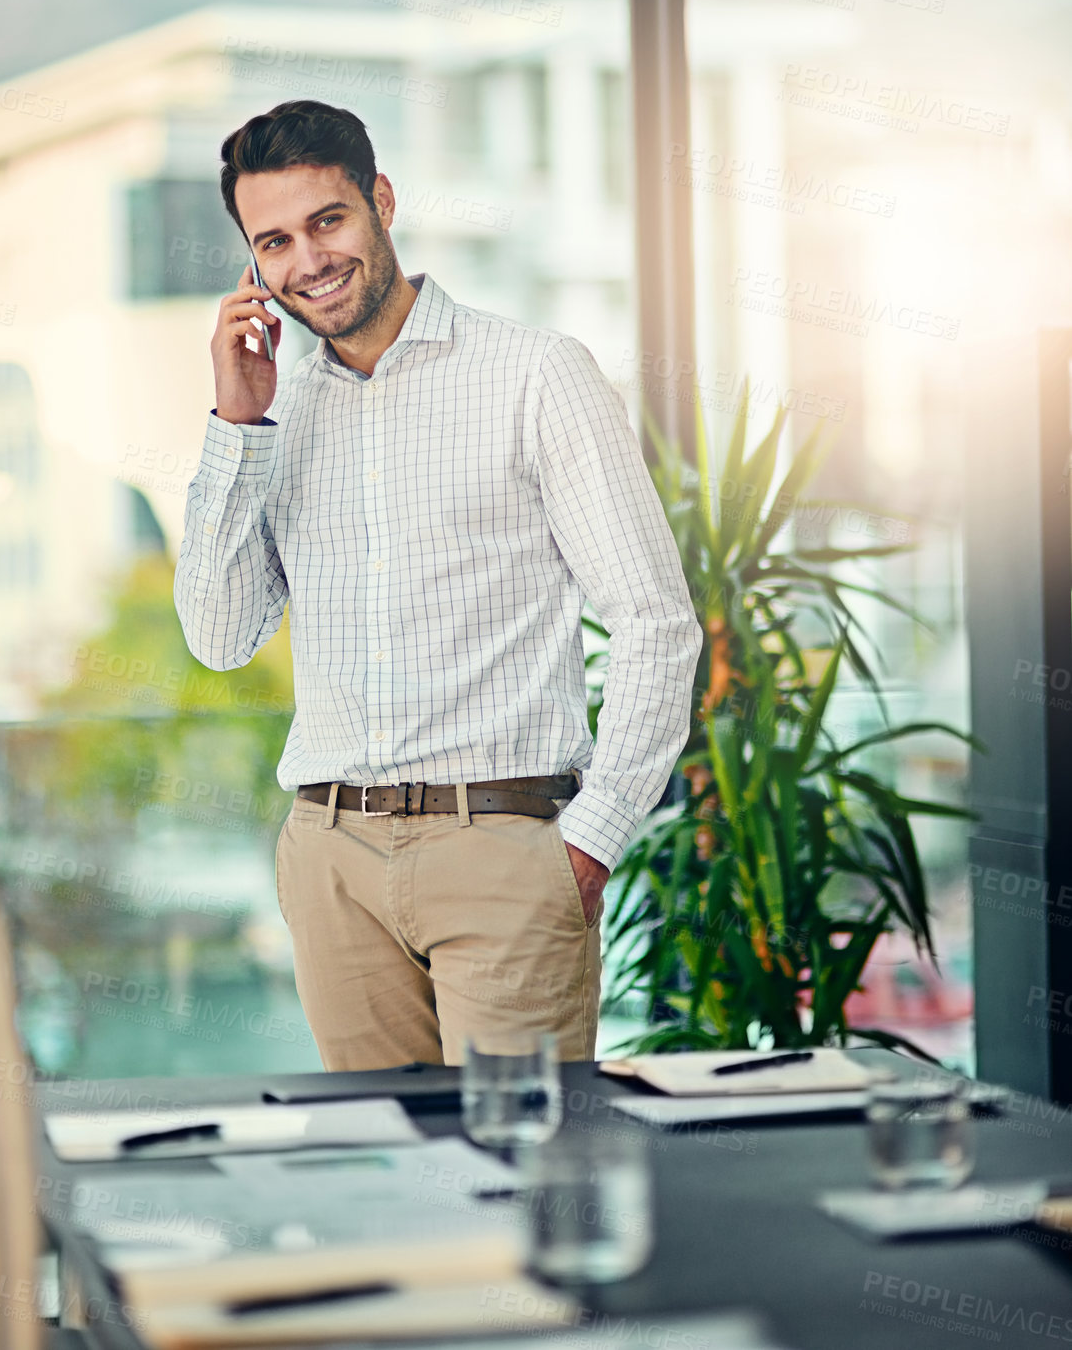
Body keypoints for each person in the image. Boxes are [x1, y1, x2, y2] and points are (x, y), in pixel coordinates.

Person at [173, 98, 702, 1070]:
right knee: (389, 1188)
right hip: (331, 858)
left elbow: (655, 621)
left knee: (522, 1179)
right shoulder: (271, 412)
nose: (309, 261)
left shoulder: (537, 374)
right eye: (276, 241)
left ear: (380, 200)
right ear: (254, 264)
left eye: (327, 221)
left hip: (504, 847)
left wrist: (590, 841)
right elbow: (217, 636)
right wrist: (234, 429)